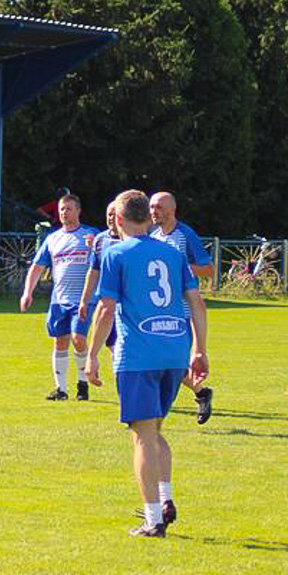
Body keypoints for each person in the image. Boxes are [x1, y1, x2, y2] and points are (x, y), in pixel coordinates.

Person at [86, 189, 208, 537]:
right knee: (153, 431)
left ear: (119, 220)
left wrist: (92, 355)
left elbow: (106, 308)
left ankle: (153, 520)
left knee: (142, 436)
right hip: (174, 352)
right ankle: (165, 500)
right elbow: (197, 303)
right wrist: (199, 349)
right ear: (147, 216)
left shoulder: (116, 253)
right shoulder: (172, 253)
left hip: (137, 355)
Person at [20, 194, 98, 401]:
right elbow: (37, 267)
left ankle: (82, 383)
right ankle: (61, 390)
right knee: (59, 342)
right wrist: (27, 292)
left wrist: (95, 248)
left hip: (83, 299)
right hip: (59, 300)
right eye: (62, 209)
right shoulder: (52, 239)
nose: (64, 212)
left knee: (78, 339)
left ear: (78, 211)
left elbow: (107, 257)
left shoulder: (91, 236)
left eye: (69, 208)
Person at [149, 190, 215, 424]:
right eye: (152, 207)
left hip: (183, 315)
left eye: (158, 207)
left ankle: (155, 416)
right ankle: (201, 393)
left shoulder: (185, 235)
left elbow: (209, 270)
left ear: (172, 209)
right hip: (156, 313)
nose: (153, 211)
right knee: (162, 364)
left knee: (173, 366)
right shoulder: (153, 236)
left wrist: (178, 266)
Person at [78, 201, 122, 352]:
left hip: (127, 303)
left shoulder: (132, 240)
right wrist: (84, 300)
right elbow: (93, 271)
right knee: (112, 344)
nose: (111, 218)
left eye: (115, 214)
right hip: (106, 300)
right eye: (109, 214)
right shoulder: (100, 239)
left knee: (124, 346)